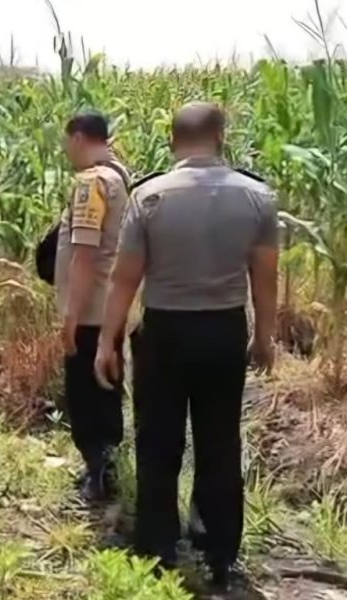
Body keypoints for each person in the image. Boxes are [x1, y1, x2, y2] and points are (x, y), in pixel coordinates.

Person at [95, 102, 278, 590]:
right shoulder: (257, 197)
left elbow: (124, 279)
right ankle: (219, 553)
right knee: (220, 441)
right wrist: (264, 337)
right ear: (221, 137)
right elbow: (265, 278)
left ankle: (158, 549)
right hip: (223, 332)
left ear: (173, 141)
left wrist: (108, 341)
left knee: (158, 441)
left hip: (165, 333)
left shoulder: (149, 196)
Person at [54, 111, 132, 502]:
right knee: (106, 392)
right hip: (112, 309)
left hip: (90, 312)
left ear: (79, 138)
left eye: (68, 142)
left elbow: (84, 255)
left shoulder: (92, 183)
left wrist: (70, 317)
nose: (67, 150)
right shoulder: (121, 176)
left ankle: (98, 475)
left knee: (86, 396)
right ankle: (108, 471)